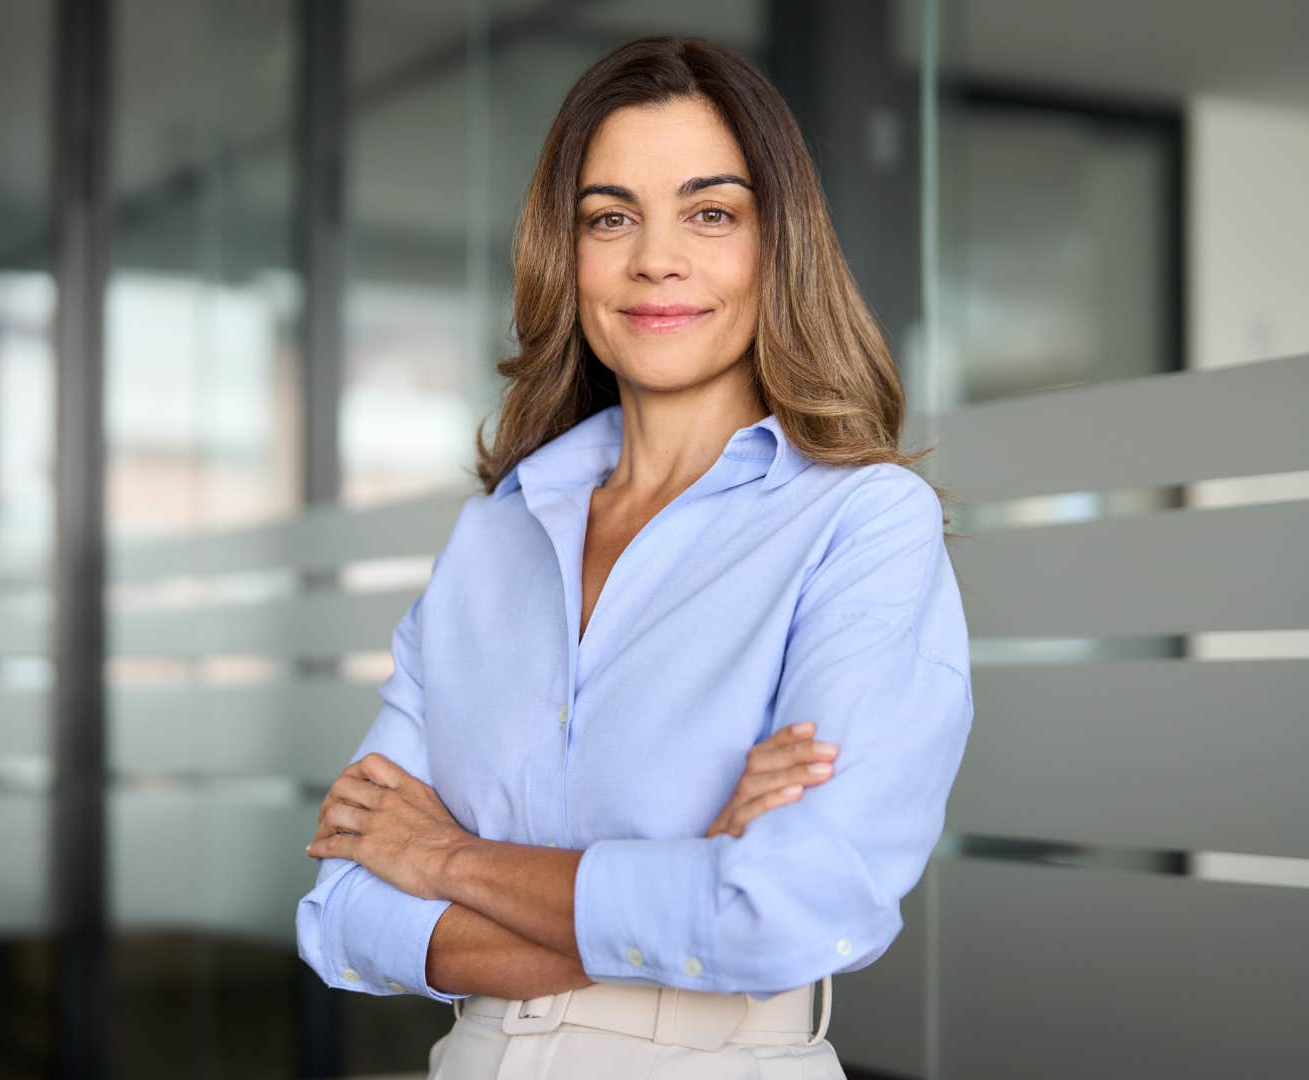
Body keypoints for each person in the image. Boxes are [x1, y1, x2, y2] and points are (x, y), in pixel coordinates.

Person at [295, 34, 973, 1080]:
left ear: (776, 243)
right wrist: (683, 882)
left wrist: (445, 860)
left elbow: (786, 912)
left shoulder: (863, 525)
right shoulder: (494, 537)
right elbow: (340, 910)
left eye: (711, 213)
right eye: (611, 218)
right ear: (565, 256)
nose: (657, 258)